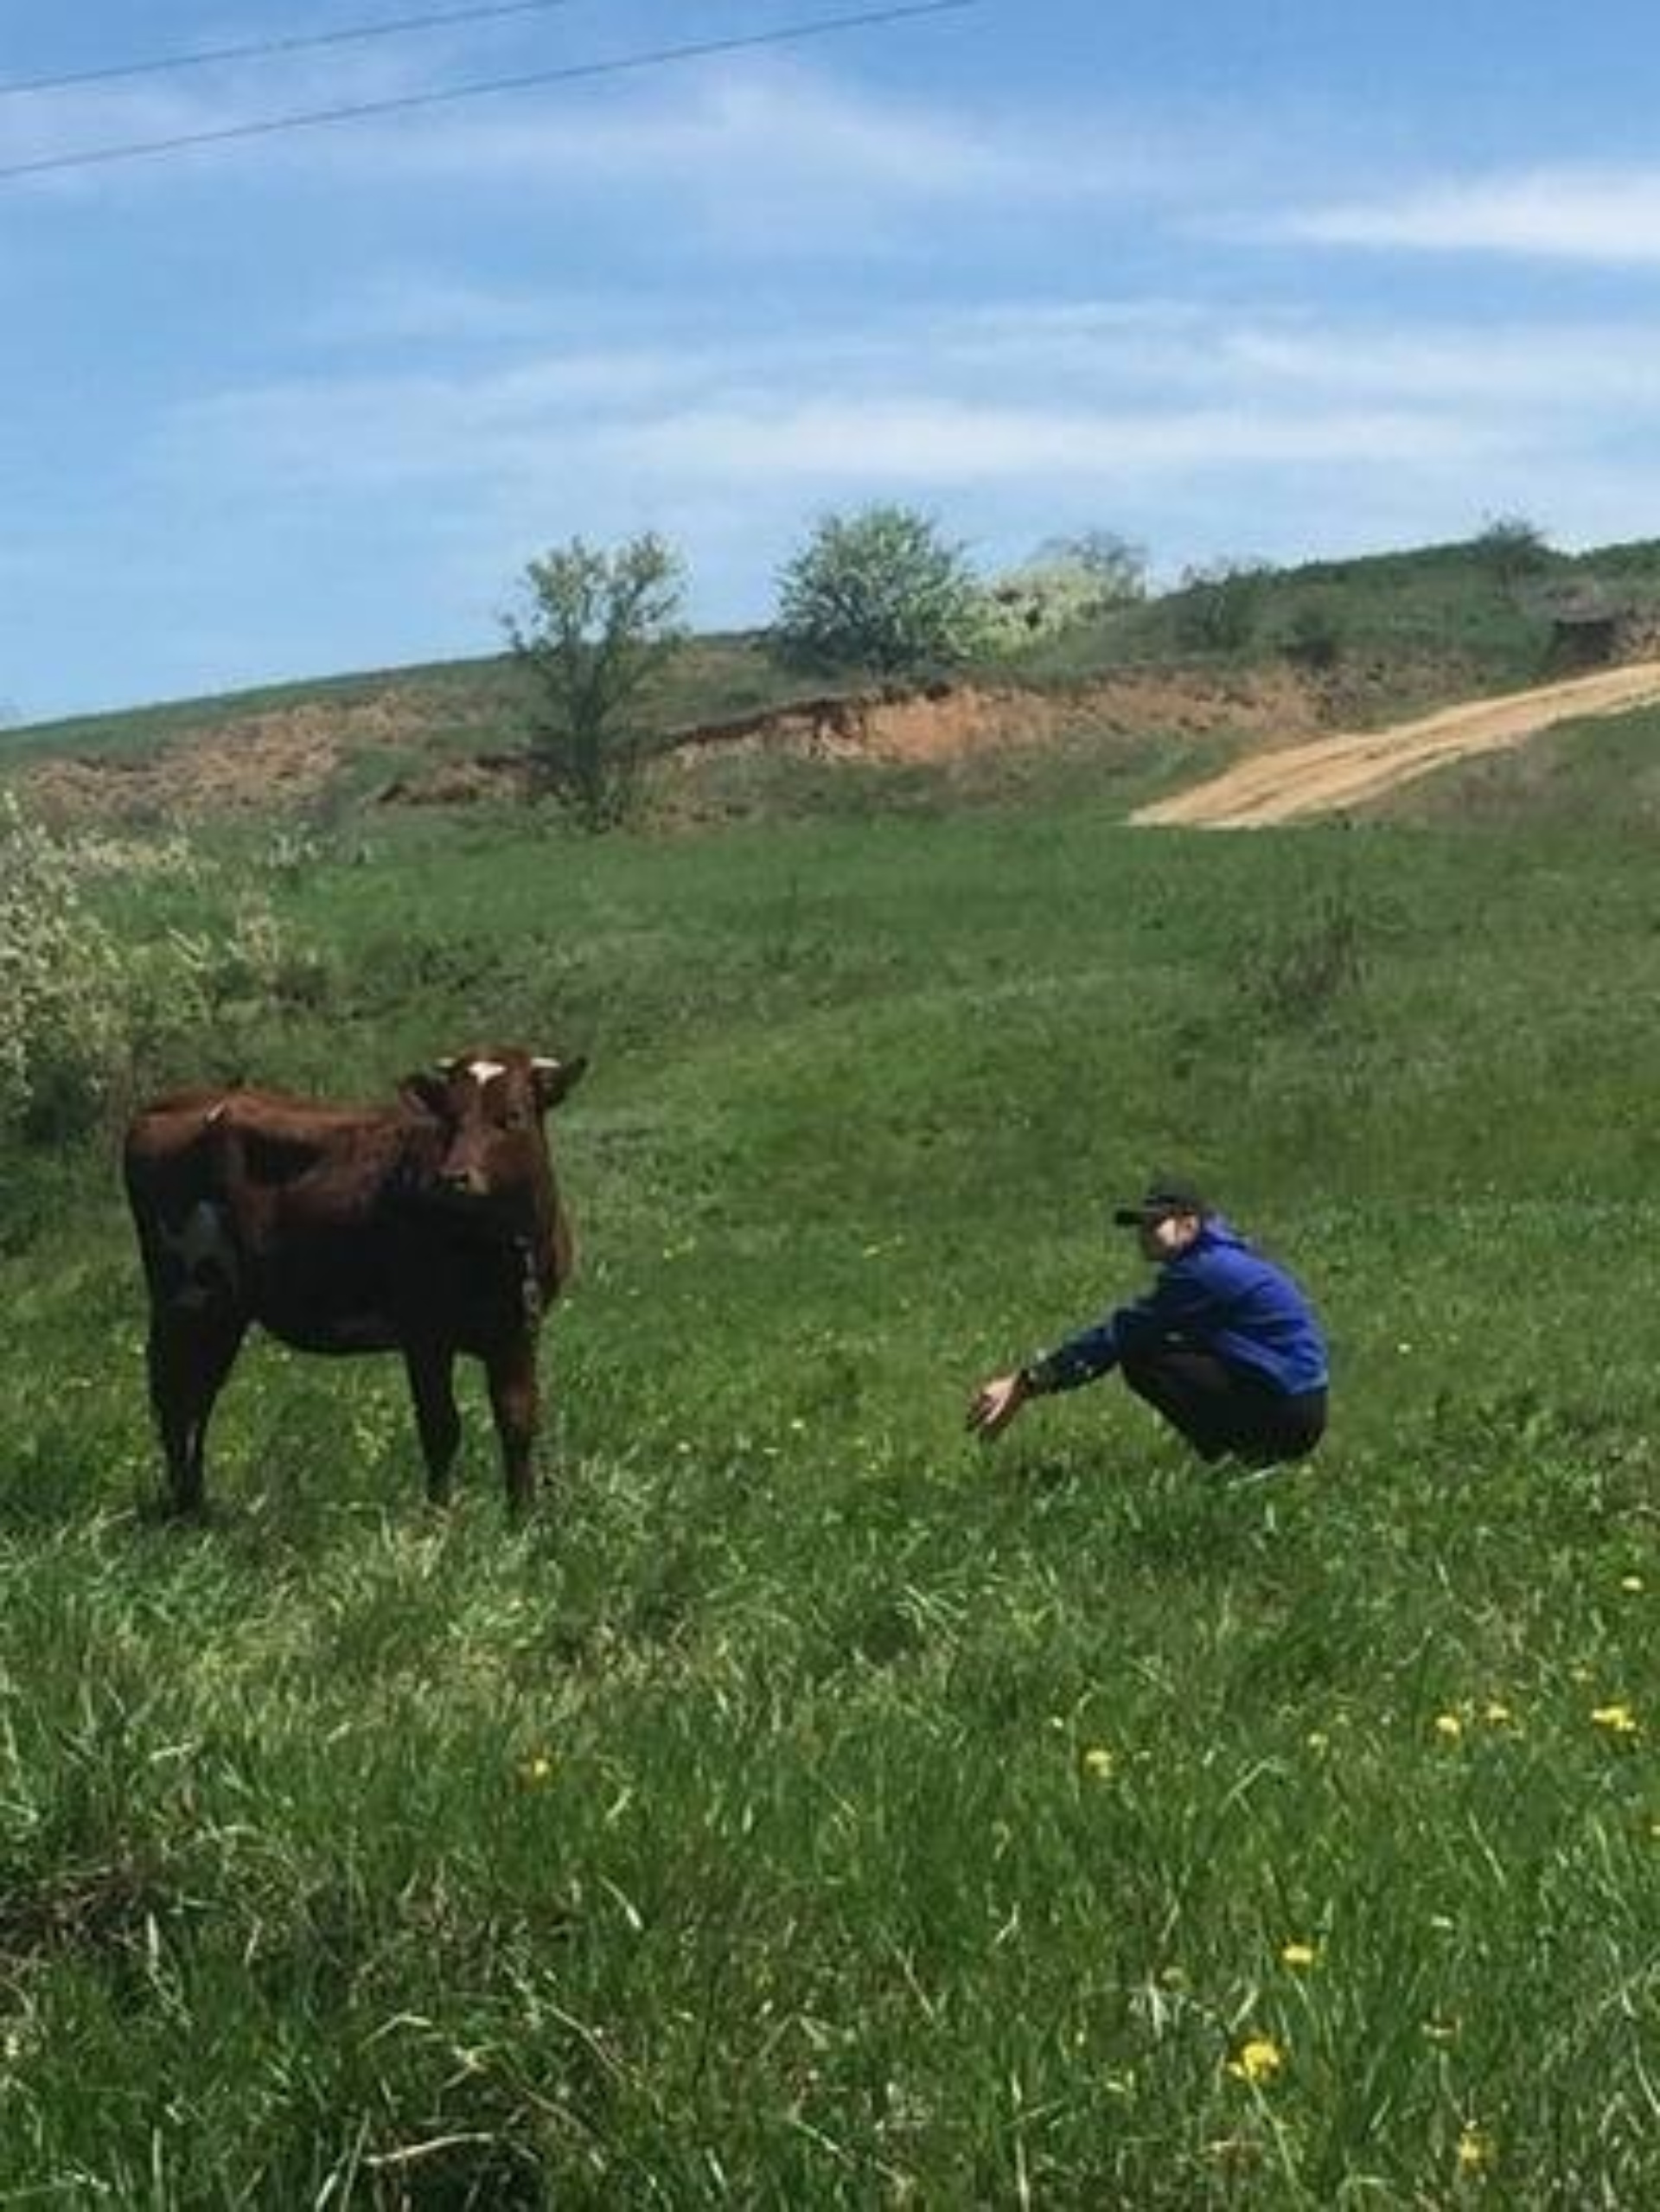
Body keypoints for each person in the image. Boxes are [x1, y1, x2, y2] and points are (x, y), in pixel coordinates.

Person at [967, 1180, 1328, 1467]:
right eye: (1141, 1224)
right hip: (1297, 1404)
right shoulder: (1220, 1258)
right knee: (1159, 1345)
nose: (1143, 1232)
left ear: (1189, 1224)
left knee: (1141, 1355)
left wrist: (1025, 1384)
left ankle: (1237, 1458)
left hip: (1288, 1414)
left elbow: (1115, 1338)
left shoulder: (1204, 1273)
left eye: (1155, 1223)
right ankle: (1240, 1455)